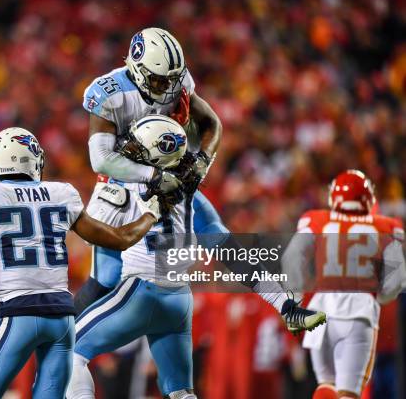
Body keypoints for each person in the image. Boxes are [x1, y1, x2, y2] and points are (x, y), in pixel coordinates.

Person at [76, 27, 325, 332]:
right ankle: (57, 346)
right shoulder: (109, 92)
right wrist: (152, 174)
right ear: (137, 68)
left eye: (172, 79)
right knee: (104, 281)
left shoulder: (176, 81)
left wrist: (202, 163)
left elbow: (211, 123)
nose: (168, 87)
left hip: (169, 174)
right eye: (159, 80)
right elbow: (100, 159)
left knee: (218, 237)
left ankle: (285, 306)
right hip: (120, 186)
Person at [66, 115, 326, 399]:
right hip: (178, 300)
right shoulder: (193, 197)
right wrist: (284, 303)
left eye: (138, 147)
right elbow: (234, 255)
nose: (130, 152)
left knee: (68, 352)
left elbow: (93, 237)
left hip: (140, 292)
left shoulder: (122, 187)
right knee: (181, 392)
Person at [0, 127, 163, 399]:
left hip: (18, 313)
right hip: (62, 318)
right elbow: (119, 239)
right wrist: (149, 216)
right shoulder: (61, 193)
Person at [283, 170, 405, 399]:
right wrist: (381, 298)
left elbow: (291, 259)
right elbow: (397, 280)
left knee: (326, 387)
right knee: (349, 393)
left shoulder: (316, 219)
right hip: (359, 311)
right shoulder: (386, 226)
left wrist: (295, 295)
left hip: (320, 311)